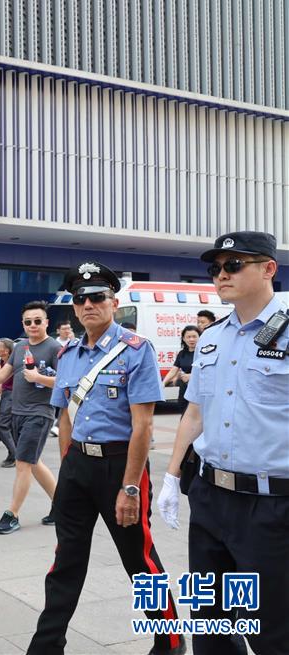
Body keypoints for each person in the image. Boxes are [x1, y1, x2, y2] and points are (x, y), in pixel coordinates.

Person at [27, 262, 183, 655]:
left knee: (139, 559)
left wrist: (130, 487)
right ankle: (46, 645)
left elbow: (143, 426)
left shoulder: (136, 349)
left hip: (120, 467)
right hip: (78, 465)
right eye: (81, 299)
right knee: (66, 560)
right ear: (74, 308)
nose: (89, 304)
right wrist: (68, 466)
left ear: (114, 302)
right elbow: (64, 416)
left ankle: (170, 642)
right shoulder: (68, 354)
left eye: (98, 297)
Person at [158, 231, 288, 655]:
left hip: (271, 508)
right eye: (215, 268)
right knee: (211, 624)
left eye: (233, 265)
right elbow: (195, 412)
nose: (221, 275)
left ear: (268, 268)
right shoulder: (211, 337)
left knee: (271, 630)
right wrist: (171, 476)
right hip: (211, 499)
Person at [0, 301, 58, 533]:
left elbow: (66, 381)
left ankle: (12, 514)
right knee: (33, 463)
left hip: (39, 414)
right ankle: (62, 505)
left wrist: (39, 378)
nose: (33, 325)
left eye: (38, 321)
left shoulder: (55, 348)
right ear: (23, 324)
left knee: (23, 463)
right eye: (28, 322)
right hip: (18, 412)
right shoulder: (20, 347)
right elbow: (4, 374)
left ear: (46, 322)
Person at [161, 325, 200, 413]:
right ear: (184, 339)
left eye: (194, 337)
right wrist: (163, 383)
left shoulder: (203, 353)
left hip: (198, 389)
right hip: (184, 388)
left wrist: (191, 376)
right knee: (183, 412)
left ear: (199, 337)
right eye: (188, 337)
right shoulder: (182, 353)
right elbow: (174, 370)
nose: (191, 339)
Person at [0, 338, 18, 468]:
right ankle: (11, 454)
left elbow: (4, 377)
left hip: (12, 395)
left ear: (7, 350)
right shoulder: (3, 360)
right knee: (10, 427)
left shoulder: (11, 362)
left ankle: (15, 455)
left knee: (2, 425)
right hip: (7, 394)